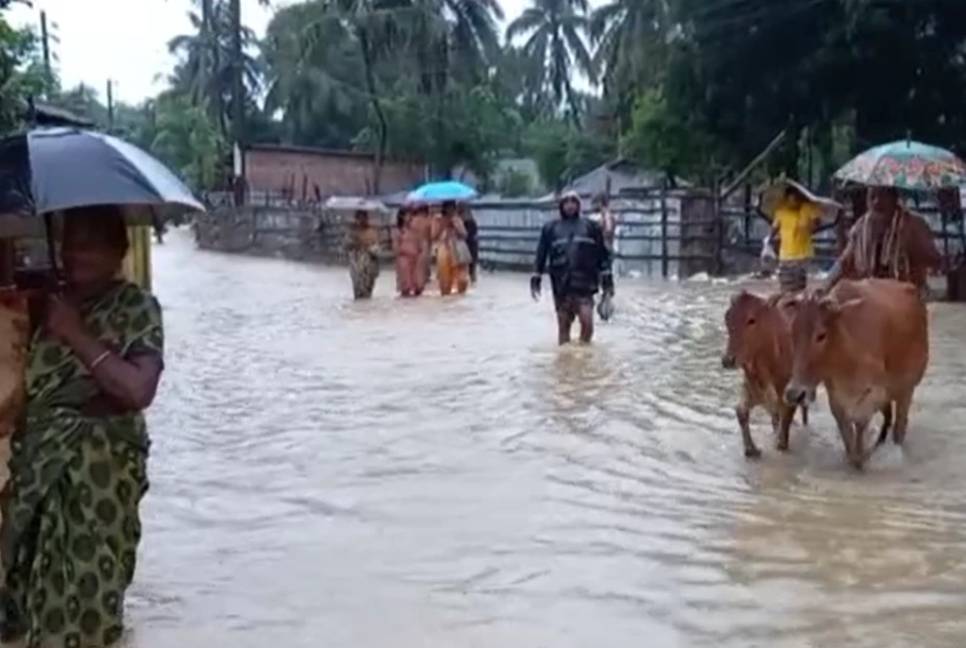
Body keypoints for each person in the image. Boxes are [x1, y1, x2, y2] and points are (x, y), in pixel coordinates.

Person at [0, 206, 164, 648]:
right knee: (28, 597)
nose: (75, 253)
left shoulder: (136, 307)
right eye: (70, 241)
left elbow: (138, 390)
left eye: (89, 243)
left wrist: (74, 333)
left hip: (100, 479)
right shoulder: (41, 306)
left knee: (88, 605)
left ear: (118, 250)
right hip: (37, 469)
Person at [823, 186, 941, 297]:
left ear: (895, 199)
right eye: (872, 197)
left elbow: (934, 260)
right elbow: (844, 262)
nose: (876, 202)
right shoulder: (860, 227)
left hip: (906, 297)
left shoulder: (913, 224)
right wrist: (825, 286)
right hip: (871, 298)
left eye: (882, 196)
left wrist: (915, 249)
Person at [531, 191, 614, 344]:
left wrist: (608, 286)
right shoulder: (550, 229)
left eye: (573, 202)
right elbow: (541, 254)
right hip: (561, 285)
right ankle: (565, 361)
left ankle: (582, 356)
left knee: (587, 324)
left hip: (585, 285)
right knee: (563, 327)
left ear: (578, 205)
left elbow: (603, 256)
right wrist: (536, 276)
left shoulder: (591, 227)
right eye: (566, 202)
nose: (570, 205)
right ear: (561, 205)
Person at [769, 186, 835, 293]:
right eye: (791, 200)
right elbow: (775, 227)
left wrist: (812, 224)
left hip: (802, 253)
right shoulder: (781, 211)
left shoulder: (808, 208)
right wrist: (769, 240)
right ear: (786, 199)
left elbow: (817, 222)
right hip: (785, 254)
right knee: (786, 281)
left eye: (796, 199)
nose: (793, 203)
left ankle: (799, 300)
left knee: (799, 281)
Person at [432, 201, 471, 296]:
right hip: (444, 249)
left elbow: (465, 234)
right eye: (449, 208)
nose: (451, 210)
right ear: (444, 208)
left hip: (458, 249)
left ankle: (460, 295)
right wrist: (443, 225)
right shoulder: (437, 220)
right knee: (444, 278)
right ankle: (445, 294)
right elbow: (433, 236)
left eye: (452, 208)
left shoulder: (457, 219)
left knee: (462, 279)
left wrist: (456, 226)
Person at [343, 209, 381, 299]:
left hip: (369, 264)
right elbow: (346, 246)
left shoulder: (372, 231)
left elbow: (377, 247)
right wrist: (356, 241)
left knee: (368, 289)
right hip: (356, 263)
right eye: (359, 218)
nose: (361, 221)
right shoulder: (351, 232)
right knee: (358, 289)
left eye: (364, 218)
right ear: (356, 219)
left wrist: (369, 246)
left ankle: (366, 309)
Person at [392, 208, 425, 298]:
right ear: (402, 217)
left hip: (416, 260)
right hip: (404, 261)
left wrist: (419, 255)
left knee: (418, 286)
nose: (410, 217)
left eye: (411, 215)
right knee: (406, 287)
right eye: (408, 215)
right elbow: (396, 249)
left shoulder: (415, 230)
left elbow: (420, 245)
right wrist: (406, 251)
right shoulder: (398, 231)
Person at [460, 206, 479, 284]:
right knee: (471, 260)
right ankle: (471, 276)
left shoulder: (463, 221)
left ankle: (470, 275)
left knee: (469, 260)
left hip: (468, 242)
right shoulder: (470, 220)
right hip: (470, 242)